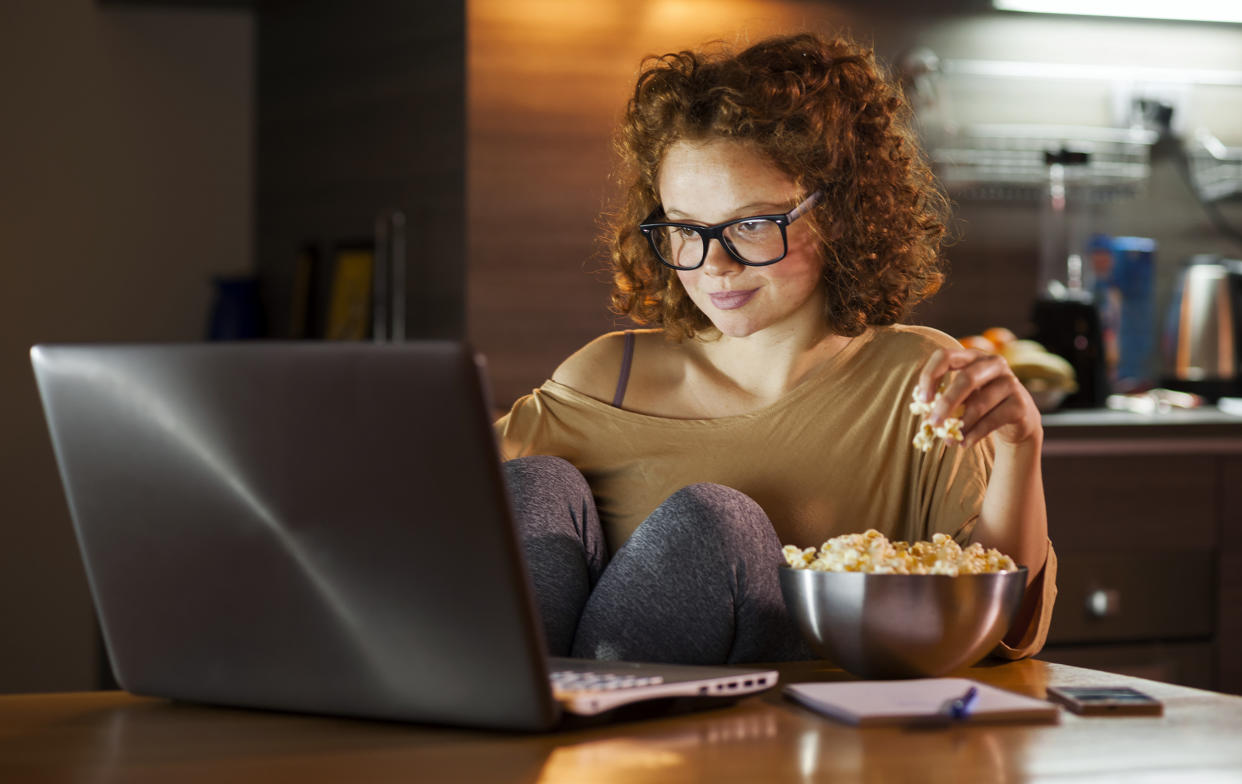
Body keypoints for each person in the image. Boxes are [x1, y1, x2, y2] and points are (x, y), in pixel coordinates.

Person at [494, 31, 1055, 665]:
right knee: (530, 484)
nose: (716, 266)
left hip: (782, 738)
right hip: (554, 727)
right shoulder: (606, 377)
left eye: (753, 224)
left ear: (840, 213)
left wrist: (1019, 448)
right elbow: (434, 507)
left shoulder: (921, 384)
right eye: (685, 229)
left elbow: (998, 631)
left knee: (715, 521)